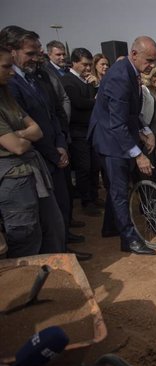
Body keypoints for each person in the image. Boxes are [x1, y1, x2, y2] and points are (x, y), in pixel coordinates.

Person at [88, 35, 156, 255]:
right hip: (110, 140)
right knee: (119, 190)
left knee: (118, 188)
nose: (152, 66)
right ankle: (129, 239)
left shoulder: (133, 72)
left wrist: (145, 130)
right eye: (149, 60)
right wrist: (138, 155)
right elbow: (117, 123)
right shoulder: (120, 76)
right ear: (134, 55)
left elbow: (131, 113)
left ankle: (110, 227)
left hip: (121, 134)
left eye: (154, 61)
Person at [0, 45, 65, 257]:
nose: (11, 71)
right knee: (26, 240)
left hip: (32, 172)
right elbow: (18, 146)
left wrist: (18, 135)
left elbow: (36, 131)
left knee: (52, 229)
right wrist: (23, 137)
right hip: (12, 181)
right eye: (5, 66)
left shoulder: (6, 96)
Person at [61, 47, 102, 218]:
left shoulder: (86, 81)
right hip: (78, 132)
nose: (87, 68)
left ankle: (93, 196)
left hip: (90, 130)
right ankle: (86, 201)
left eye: (89, 65)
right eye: (84, 65)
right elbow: (78, 103)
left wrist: (94, 88)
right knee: (83, 168)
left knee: (94, 166)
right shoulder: (68, 81)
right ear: (75, 62)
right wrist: (95, 100)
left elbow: (90, 102)